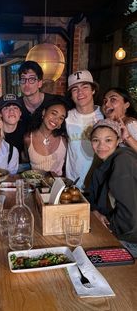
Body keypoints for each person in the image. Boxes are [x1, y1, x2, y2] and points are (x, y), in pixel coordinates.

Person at [89, 118, 137, 246]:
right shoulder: (102, 166)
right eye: (96, 140)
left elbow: (129, 215)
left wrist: (109, 230)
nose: (101, 146)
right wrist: (95, 212)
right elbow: (94, 198)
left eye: (108, 140)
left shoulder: (123, 161)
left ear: (118, 141)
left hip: (128, 238)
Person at [65, 70, 104, 190]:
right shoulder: (66, 117)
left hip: (100, 183)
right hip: (73, 183)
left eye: (85, 87)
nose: (80, 92)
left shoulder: (105, 115)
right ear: (71, 95)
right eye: (75, 89)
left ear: (93, 90)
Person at [24, 98, 68, 176]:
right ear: (44, 112)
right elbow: (26, 160)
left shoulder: (64, 140)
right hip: (34, 186)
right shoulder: (28, 138)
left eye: (61, 118)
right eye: (54, 113)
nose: (56, 120)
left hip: (58, 186)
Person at [0, 93, 28, 167]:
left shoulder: (26, 129)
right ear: (0, 114)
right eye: (6, 108)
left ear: (20, 113)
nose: (11, 111)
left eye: (15, 108)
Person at [101, 87, 137, 152]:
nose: (106, 104)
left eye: (113, 99)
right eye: (105, 101)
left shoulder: (130, 124)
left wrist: (128, 138)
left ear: (126, 105)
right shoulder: (110, 126)